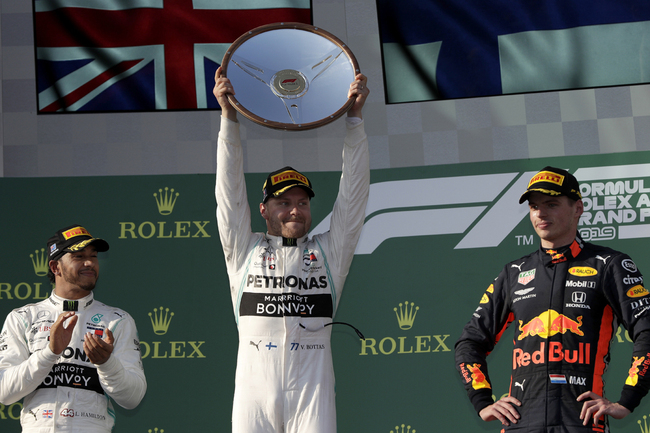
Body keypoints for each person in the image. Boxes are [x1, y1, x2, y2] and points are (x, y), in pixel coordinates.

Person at [213, 66, 370, 433]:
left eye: (302, 202)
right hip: (254, 393)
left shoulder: (329, 252)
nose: (295, 209)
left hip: (312, 393)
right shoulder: (243, 248)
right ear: (264, 209)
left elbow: (354, 195)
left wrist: (355, 120)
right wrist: (228, 117)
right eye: (284, 202)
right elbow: (229, 192)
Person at [455, 166, 650, 432]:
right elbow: (469, 343)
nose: (540, 213)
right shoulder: (514, 273)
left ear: (577, 208)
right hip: (521, 424)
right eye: (534, 207)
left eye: (551, 204)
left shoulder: (609, 264)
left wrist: (626, 400)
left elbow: (647, 331)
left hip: (581, 422)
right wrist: (482, 401)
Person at [0, 224, 147, 432]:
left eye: (93, 256)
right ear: (55, 267)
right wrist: (50, 353)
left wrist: (106, 363)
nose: (90, 263)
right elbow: (4, 392)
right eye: (78, 256)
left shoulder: (117, 320)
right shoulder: (23, 318)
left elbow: (133, 398)